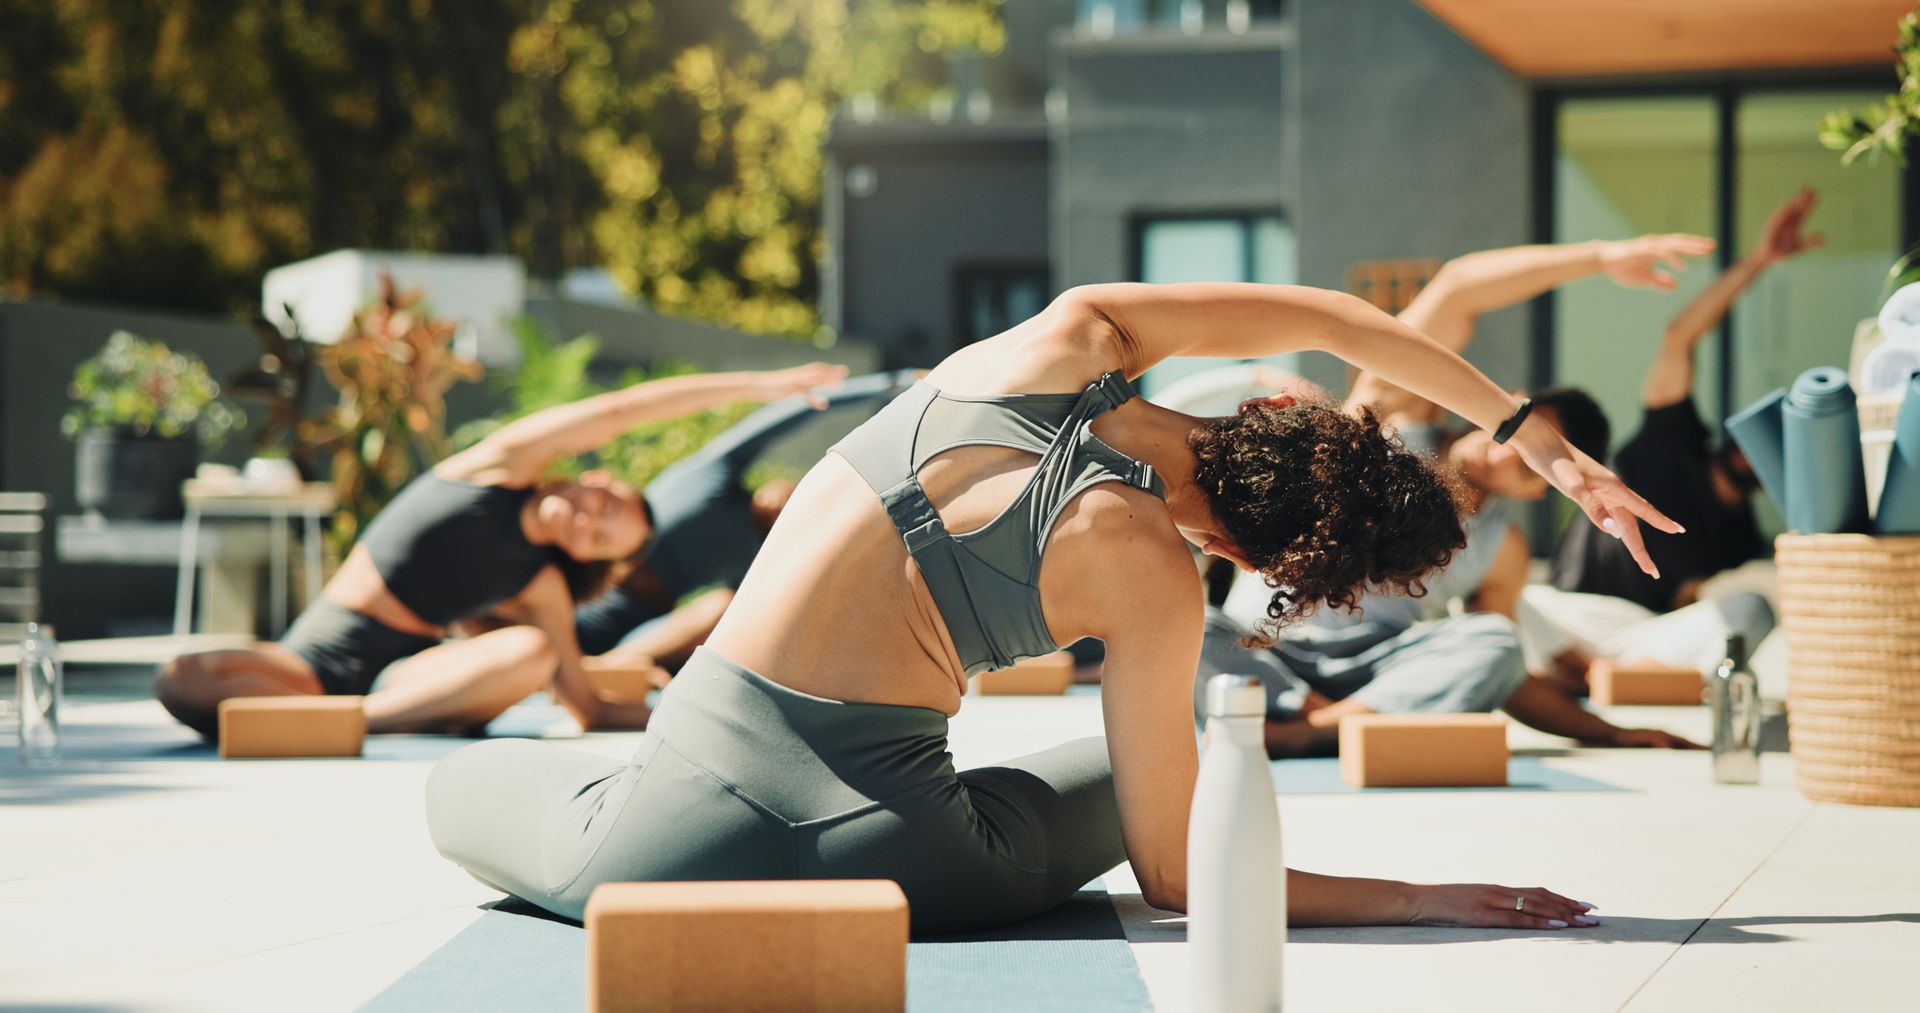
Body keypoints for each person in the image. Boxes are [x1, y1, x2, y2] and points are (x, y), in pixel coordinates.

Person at [424, 281, 1675, 934]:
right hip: (901, 865)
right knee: (1126, 776)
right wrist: (1429, 897)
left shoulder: (1070, 337)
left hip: (653, 852)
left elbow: (1333, 317)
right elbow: (1183, 877)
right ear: (1247, 544)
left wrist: (1533, 436)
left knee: (450, 797)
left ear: (1281, 414)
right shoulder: (1158, 573)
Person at [1192, 232, 1718, 755]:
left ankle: (1309, 732)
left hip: (1385, 669)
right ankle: (1332, 728)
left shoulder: (1499, 548)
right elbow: (1457, 289)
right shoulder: (1394, 417)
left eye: (1531, 465)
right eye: (1528, 436)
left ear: (1542, 490)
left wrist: (1610, 732)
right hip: (1268, 649)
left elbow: (1502, 669)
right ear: (1508, 404)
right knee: (1192, 624)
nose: (1507, 452)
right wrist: (1600, 258)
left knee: (1495, 641)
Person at [153, 363, 847, 737]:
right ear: (591, 479)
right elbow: (621, 410)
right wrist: (756, 387)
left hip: (401, 690)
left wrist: (695, 713)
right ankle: (313, 720)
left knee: (536, 651)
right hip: (308, 665)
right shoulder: (496, 470)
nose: (589, 520)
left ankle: (346, 725)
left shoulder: (541, 581)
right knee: (182, 676)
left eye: (603, 538)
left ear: (590, 559)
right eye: (605, 504)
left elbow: (583, 706)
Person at [1523, 189, 1821, 685]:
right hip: (1568, 614)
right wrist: (1759, 260)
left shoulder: (1740, 534)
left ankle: (1607, 681)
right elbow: (1678, 337)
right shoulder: (1674, 436)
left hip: (1639, 638)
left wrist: (1695, 595)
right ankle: (1604, 680)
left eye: (1776, 445)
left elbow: (1694, 601)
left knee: (1750, 609)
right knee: (1515, 597)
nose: (1754, 452)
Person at [573, 371, 920, 672]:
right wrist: (896, 383)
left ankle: (598, 671)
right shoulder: (710, 479)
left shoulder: (764, 563)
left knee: (724, 608)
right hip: (582, 608)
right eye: (796, 492)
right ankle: (589, 668)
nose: (788, 503)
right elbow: (794, 410)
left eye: (800, 509)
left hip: (636, 641)